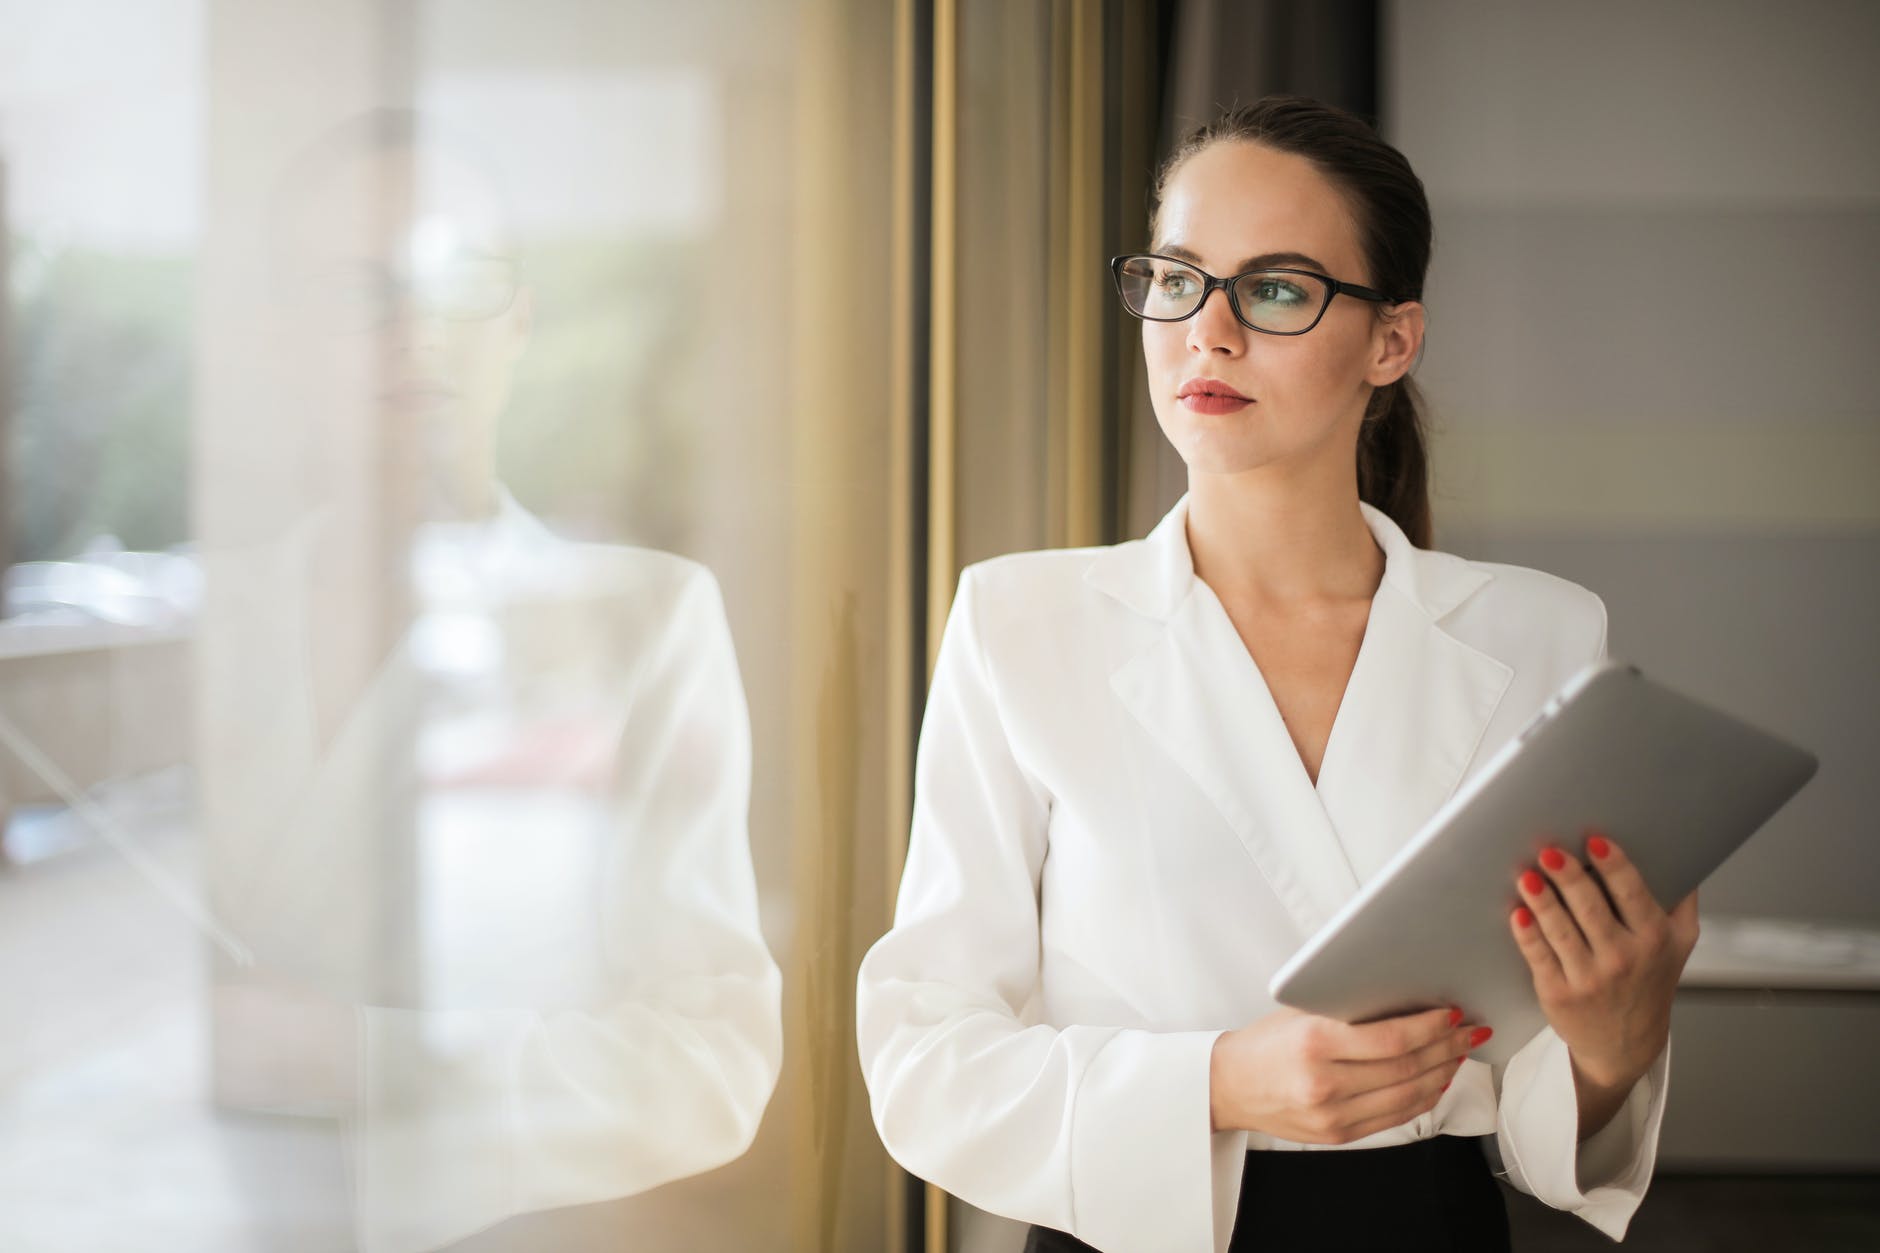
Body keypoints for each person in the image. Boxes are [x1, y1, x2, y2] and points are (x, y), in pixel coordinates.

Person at [854, 96, 1698, 1253]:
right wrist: (1217, 1082)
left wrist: (1614, 1038)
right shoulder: (1019, 621)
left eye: (1276, 288)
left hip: (1427, 1227)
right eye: (1176, 277)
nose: (1206, 331)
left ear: (1390, 341)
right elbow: (923, 1057)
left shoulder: (1540, 636)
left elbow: (1552, 1108)